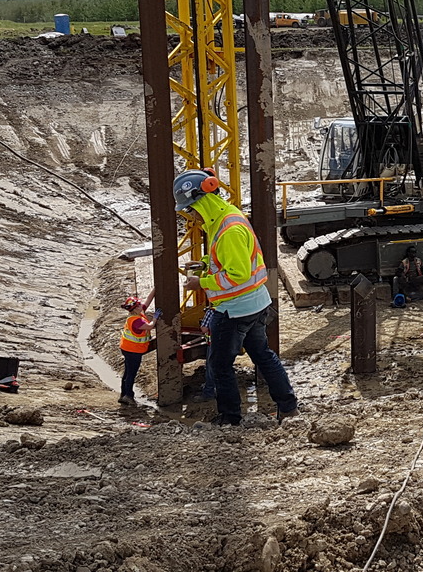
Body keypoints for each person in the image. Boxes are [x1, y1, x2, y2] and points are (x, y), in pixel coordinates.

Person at [174, 168, 299, 426]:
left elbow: (238, 274)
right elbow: (230, 259)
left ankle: (230, 418)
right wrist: (207, 262)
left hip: (234, 310)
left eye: (192, 209)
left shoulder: (227, 229)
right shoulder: (228, 218)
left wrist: (202, 282)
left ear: (202, 201)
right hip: (257, 303)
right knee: (262, 354)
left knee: (220, 366)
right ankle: (287, 406)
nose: (192, 216)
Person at [118, 293, 154, 405]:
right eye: (139, 305)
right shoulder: (137, 321)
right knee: (131, 374)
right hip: (133, 350)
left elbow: (148, 300)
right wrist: (156, 318)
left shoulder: (135, 315)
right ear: (135, 308)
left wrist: (155, 290)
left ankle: (123, 394)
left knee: (127, 372)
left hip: (127, 348)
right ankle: (128, 396)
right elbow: (150, 326)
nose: (141, 306)